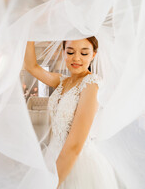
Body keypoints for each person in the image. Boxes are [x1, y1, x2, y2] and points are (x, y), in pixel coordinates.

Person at [24, 37, 120, 189]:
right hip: (54, 155)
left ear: (93, 55)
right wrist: (29, 34)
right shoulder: (62, 81)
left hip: (78, 162)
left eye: (84, 53)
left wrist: (53, 183)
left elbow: (75, 146)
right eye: (70, 52)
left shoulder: (91, 85)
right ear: (63, 53)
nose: (76, 58)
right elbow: (31, 66)